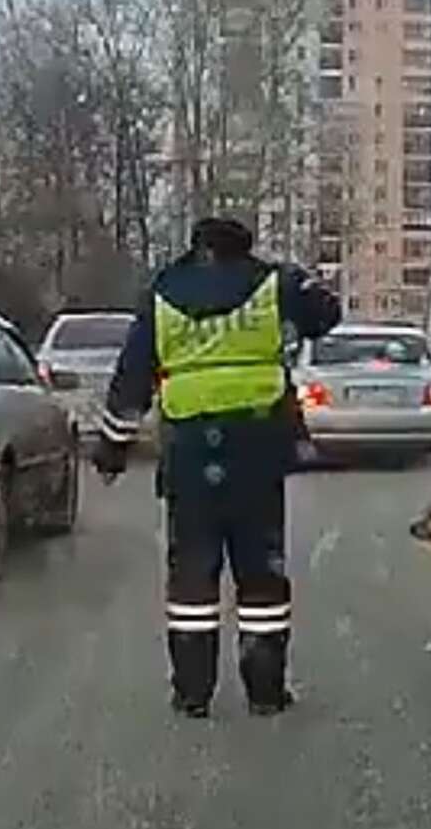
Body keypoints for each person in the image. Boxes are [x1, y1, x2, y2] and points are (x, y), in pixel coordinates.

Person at [92, 217, 343, 719]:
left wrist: (112, 448)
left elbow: (132, 376)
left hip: (189, 452)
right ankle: (266, 691)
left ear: (197, 247)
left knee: (192, 576)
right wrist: (299, 279)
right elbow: (327, 315)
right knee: (262, 574)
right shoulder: (273, 284)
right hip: (258, 449)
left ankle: (192, 692)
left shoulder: (163, 291)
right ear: (244, 247)